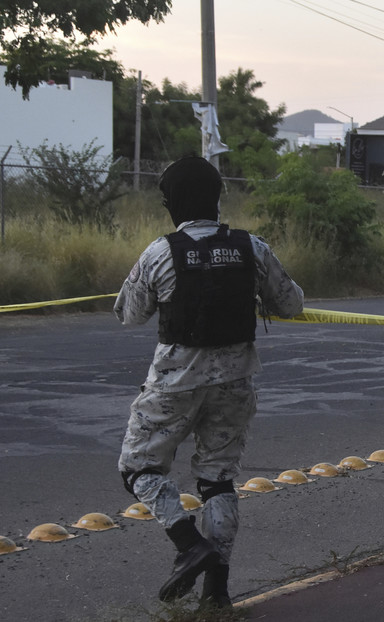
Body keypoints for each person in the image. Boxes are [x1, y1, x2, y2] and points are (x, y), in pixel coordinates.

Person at [115, 156, 304, 607]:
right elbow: (292, 304)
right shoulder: (252, 248)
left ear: (172, 204)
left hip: (174, 384)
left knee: (139, 468)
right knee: (218, 480)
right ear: (217, 198)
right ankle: (216, 593)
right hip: (236, 382)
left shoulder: (159, 252)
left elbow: (130, 314)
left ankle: (188, 544)